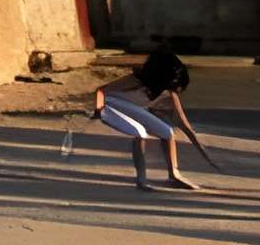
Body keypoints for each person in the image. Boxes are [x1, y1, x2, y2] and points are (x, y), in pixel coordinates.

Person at [86, 47, 212, 190]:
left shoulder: (167, 91)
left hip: (130, 108)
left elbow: (182, 122)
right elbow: (101, 91)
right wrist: (98, 111)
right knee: (139, 132)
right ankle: (141, 180)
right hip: (109, 104)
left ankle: (174, 175)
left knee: (168, 132)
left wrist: (201, 149)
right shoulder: (136, 81)